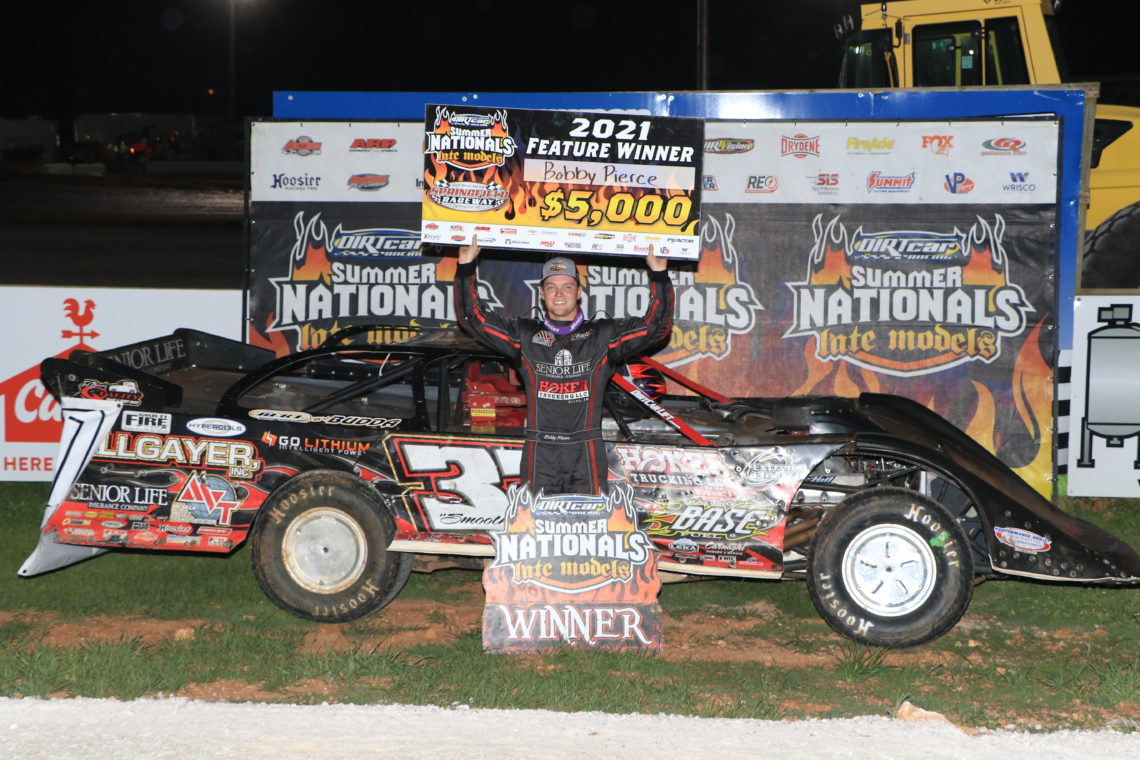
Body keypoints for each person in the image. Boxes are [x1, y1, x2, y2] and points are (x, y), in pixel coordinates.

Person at [454, 238, 673, 495]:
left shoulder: (602, 335)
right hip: (540, 452)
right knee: (537, 527)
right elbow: (473, 319)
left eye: (567, 286)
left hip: (586, 451)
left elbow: (655, 327)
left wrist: (659, 274)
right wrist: (466, 266)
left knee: (589, 527)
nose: (559, 294)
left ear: (579, 292)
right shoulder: (524, 335)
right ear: (542, 293)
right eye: (552, 287)